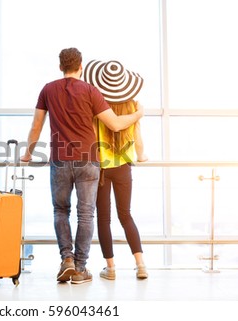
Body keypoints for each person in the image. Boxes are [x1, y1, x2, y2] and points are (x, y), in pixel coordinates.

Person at [20, 48, 143, 284]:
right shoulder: (90, 90)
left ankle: (66, 259)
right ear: (81, 66)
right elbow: (116, 124)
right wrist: (137, 116)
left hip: (60, 159)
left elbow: (36, 125)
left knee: (60, 211)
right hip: (88, 160)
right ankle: (80, 269)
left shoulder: (48, 89)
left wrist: (27, 154)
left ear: (60, 67)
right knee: (86, 214)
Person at [84, 59, 148, 280]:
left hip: (101, 169)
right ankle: (140, 265)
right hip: (123, 168)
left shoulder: (96, 105)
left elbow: (92, 135)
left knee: (103, 219)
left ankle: (110, 268)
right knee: (126, 215)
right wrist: (141, 156)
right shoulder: (132, 107)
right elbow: (138, 139)